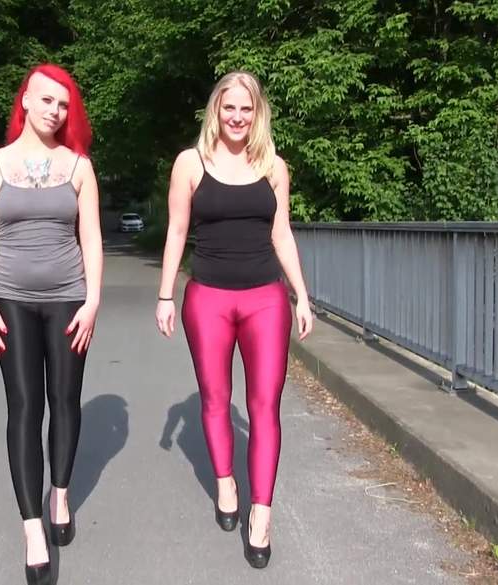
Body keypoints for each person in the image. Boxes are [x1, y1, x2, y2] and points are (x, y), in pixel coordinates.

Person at [155, 71, 313, 569]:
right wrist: (165, 295)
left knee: (265, 405)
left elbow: (282, 233)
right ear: (216, 110)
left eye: (246, 108)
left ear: (257, 113)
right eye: (229, 108)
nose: (238, 117)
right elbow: (177, 230)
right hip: (208, 298)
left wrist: (302, 296)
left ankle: (261, 514)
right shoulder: (191, 163)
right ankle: (225, 481)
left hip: (266, 297)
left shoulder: (274, 167)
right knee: (215, 398)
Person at [0, 63, 102, 585]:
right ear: (25, 100)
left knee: (64, 400)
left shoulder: (78, 167)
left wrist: (93, 301)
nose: (55, 110)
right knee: (25, 406)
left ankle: (60, 494)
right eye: (46, 100)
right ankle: (32, 530)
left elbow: (91, 237)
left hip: (69, 299)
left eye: (63, 104)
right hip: (11, 301)